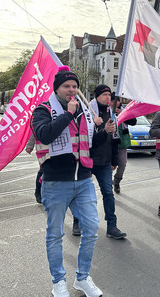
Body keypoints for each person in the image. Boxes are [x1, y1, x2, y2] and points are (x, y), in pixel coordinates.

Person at [31, 66, 103, 297]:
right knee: (55, 234)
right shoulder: (42, 110)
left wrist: (105, 132)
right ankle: (58, 282)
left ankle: (82, 278)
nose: (71, 90)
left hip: (83, 179)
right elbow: (45, 134)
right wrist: (68, 114)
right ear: (57, 88)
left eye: (75, 86)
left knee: (91, 229)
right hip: (55, 181)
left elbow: (87, 144)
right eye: (66, 86)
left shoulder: (84, 110)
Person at [89, 84, 127, 239]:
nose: (107, 97)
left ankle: (112, 226)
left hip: (104, 162)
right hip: (89, 160)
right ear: (97, 96)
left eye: (109, 95)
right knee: (83, 195)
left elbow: (114, 140)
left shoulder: (111, 114)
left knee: (108, 194)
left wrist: (114, 160)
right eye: (104, 94)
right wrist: (102, 129)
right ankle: (78, 222)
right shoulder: (88, 113)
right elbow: (88, 141)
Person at [111, 97, 137, 194]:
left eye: (116, 101)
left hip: (122, 142)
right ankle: (108, 185)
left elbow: (134, 122)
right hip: (110, 142)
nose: (114, 103)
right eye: (112, 101)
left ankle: (117, 181)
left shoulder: (125, 110)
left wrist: (122, 115)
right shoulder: (106, 110)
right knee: (109, 165)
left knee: (122, 163)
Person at [25, 133, 43, 204]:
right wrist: (30, 145)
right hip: (44, 150)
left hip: (60, 151)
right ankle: (38, 192)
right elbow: (34, 132)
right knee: (42, 171)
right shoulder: (41, 121)